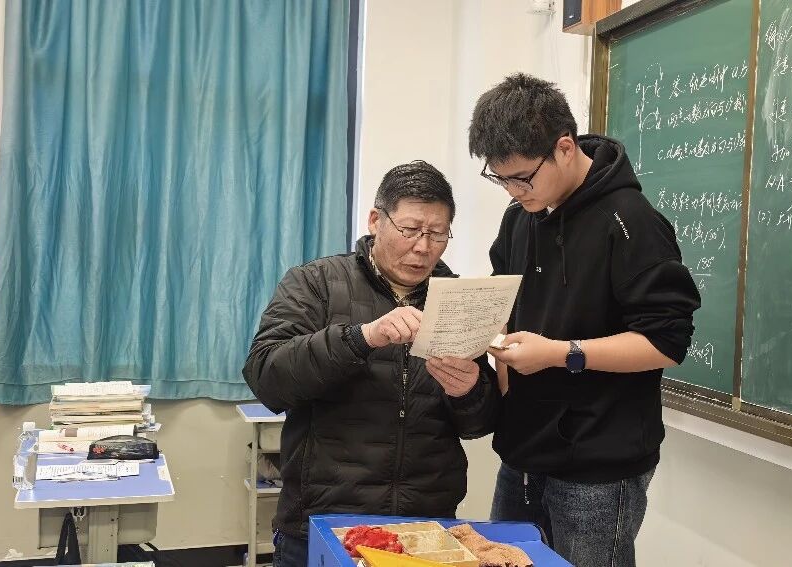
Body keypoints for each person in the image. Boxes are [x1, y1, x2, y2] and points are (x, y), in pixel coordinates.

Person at [469, 73, 701, 567]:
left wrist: (561, 354)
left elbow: (667, 341)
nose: (512, 191)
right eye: (500, 179)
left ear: (565, 147)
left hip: (598, 469)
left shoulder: (631, 220)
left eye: (522, 178)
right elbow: (505, 302)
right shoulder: (520, 217)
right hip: (523, 453)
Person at [242, 161, 499, 567]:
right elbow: (266, 376)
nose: (423, 247)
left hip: (425, 529)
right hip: (323, 524)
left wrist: (468, 390)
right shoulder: (316, 283)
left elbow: (477, 425)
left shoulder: (457, 299)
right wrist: (361, 338)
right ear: (376, 220)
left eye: (437, 234)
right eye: (411, 229)